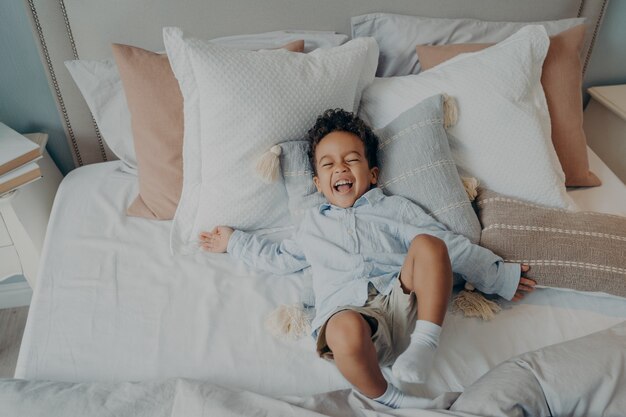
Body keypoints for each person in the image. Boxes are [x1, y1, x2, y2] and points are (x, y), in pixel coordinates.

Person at [199, 108, 535, 409]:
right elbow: (278, 258)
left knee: (430, 245)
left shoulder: (393, 208)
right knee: (342, 329)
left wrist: (498, 277)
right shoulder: (312, 225)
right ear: (318, 183)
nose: (341, 168)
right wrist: (234, 241)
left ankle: (425, 344)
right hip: (350, 319)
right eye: (328, 164)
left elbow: (448, 245)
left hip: (404, 302)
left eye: (352, 160)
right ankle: (390, 398)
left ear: (372, 174)